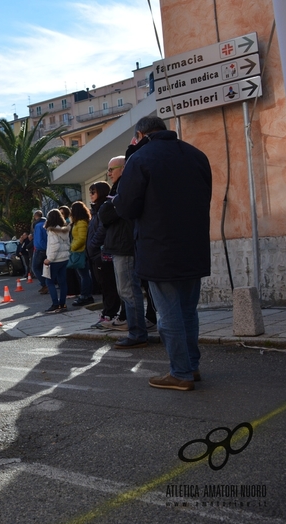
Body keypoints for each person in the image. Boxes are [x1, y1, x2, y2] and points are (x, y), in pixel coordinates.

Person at [113, 116, 212, 391]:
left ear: (140, 134)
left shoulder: (141, 158)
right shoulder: (197, 155)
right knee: (188, 312)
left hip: (159, 248)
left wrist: (132, 157)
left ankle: (180, 373)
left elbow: (126, 207)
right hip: (194, 245)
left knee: (168, 314)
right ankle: (191, 367)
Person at [100, 154, 150, 348]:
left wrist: (108, 206)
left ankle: (137, 333)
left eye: (112, 169)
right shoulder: (118, 188)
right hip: (121, 245)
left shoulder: (125, 187)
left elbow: (107, 213)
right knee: (126, 290)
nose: (109, 173)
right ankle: (136, 331)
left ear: (123, 169)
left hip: (125, 246)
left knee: (129, 291)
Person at [87, 181, 120, 328]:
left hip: (103, 254)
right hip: (95, 254)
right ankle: (107, 312)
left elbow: (102, 230)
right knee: (104, 286)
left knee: (109, 286)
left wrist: (93, 244)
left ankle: (110, 314)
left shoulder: (104, 208)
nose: (91, 195)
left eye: (93, 192)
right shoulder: (95, 210)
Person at [42, 209, 70, 313]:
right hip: (64, 258)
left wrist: (49, 259)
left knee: (49, 281)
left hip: (55, 259)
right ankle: (62, 304)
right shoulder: (64, 229)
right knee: (62, 282)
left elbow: (55, 246)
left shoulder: (52, 230)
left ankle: (55, 304)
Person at [70, 201, 94, 307]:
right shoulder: (81, 222)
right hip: (80, 250)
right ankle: (86, 295)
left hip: (80, 251)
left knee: (84, 275)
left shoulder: (81, 223)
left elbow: (82, 238)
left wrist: (72, 247)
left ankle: (85, 296)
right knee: (84, 275)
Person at [31, 210, 49, 293]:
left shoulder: (38, 226)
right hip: (47, 249)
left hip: (40, 249)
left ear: (35, 216)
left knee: (35, 267)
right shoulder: (46, 223)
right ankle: (47, 284)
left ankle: (44, 284)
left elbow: (39, 239)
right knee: (44, 268)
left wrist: (38, 248)